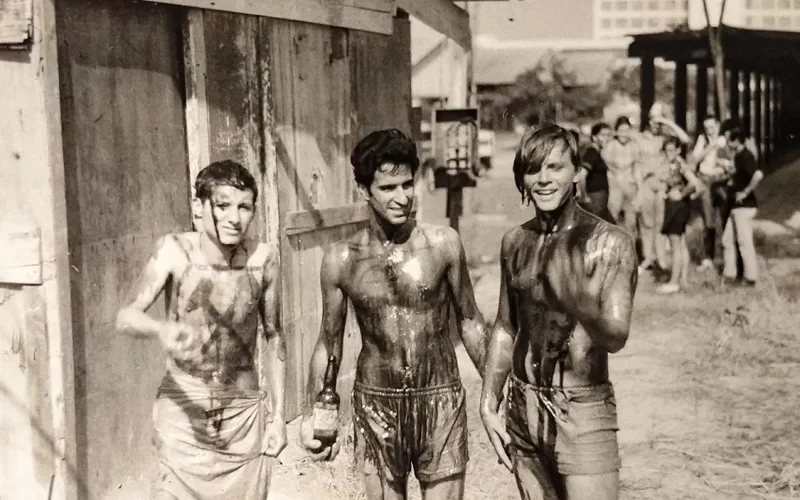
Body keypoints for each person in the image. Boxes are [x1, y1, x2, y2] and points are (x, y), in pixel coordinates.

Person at [300, 129, 489, 500]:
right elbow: (329, 342)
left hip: (440, 398)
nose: (402, 197)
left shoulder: (442, 244)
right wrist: (315, 413)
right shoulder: (341, 260)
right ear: (363, 189)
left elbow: (470, 321)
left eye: (407, 184)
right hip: (376, 403)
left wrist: (498, 393)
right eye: (388, 188)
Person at [480, 124, 638, 500]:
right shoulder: (515, 242)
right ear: (521, 178)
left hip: (581, 410)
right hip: (524, 407)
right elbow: (505, 327)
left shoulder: (609, 243)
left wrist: (580, 303)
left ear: (577, 174)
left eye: (555, 167)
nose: (544, 179)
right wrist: (489, 401)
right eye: (533, 170)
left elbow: (616, 336)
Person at [116, 160, 286, 499]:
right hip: (183, 410)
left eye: (244, 207)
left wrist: (279, 416)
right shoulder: (174, 251)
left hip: (242, 414)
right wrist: (160, 329)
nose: (234, 218)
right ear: (199, 206)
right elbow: (126, 317)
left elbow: (273, 335)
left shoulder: (263, 258)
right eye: (223, 206)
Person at [636, 106, 691, 275]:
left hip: (662, 184)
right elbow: (636, 163)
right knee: (646, 223)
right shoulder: (639, 138)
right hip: (646, 182)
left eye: (658, 121)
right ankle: (648, 258)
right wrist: (638, 188)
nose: (656, 124)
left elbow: (685, 139)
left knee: (661, 223)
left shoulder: (666, 138)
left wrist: (667, 122)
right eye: (654, 120)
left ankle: (661, 259)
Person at [656, 137, 701, 295]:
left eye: (671, 150)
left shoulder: (680, 164)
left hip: (678, 207)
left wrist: (681, 194)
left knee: (675, 243)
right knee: (681, 243)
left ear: (678, 150)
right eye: (666, 150)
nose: (668, 153)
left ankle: (673, 281)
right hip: (676, 205)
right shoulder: (673, 164)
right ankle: (683, 279)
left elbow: (694, 182)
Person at [690, 115, 734, 272]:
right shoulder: (703, 139)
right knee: (708, 221)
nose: (710, 130)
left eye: (712, 127)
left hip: (721, 181)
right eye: (707, 127)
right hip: (706, 181)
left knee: (724, 219)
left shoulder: (726, 139)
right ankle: (708, 257)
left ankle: (724, 257)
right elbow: (695, 159)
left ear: (718, 125)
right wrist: (711, 146)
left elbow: (732, 160)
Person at [722, 128, 764, 286]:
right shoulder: (738, 156)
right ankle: (730, 274)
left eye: (729, 139)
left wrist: (745, 191)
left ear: (736, 141)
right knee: (727, 240)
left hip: (744, 207)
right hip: (735, 207)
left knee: (744, 241)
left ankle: (750, 277)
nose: (726, 142)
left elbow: (758, 174)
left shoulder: (746, 156)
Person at [602, 116, 640, 236]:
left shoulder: (634, 145)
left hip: (630, 185)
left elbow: (637, 167)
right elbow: (608, 164)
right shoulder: (611, 145)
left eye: (627, 130)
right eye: (621, 130)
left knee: (631, 221)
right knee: (613, 217)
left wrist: (639, 188)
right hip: (615, 186)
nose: (624, 134)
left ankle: (631, 249)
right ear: (616, 131)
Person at [577, 122, 616, 224]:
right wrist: (585, 196)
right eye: (603, 135)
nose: (606, 138)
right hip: (595, 198)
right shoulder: (592, 153)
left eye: (608, 135)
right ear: (594, 137)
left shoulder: (597, 153)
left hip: (600, 199)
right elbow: (581, 175)